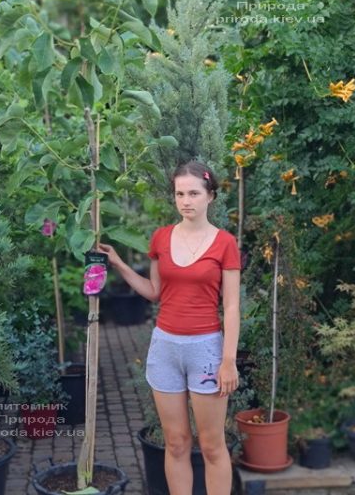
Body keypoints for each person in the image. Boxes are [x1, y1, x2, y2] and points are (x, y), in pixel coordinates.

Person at [98, 160, 241, 495]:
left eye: (193, 193)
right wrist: (118, 263)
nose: (186, 200)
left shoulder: (225, 243)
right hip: (164, 348)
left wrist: (228, 360)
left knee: (211, 446)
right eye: (179, 193)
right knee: (175, 444)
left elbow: (232, 307)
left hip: (206, 348)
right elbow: (154, 292)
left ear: (211, 196)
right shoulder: (161, 238)